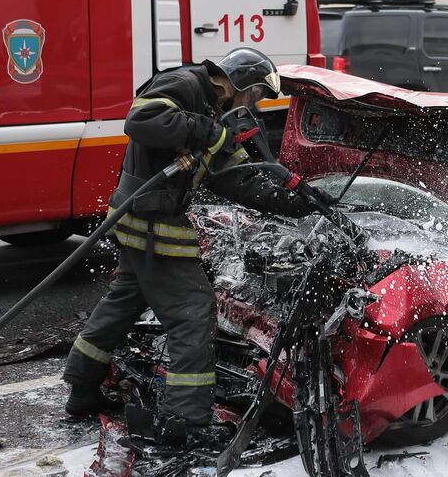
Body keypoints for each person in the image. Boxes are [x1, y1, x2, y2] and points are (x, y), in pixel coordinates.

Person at [63, 48, 315, 445]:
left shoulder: (217, 115)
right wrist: (208, 132)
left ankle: (82, 387)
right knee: (193, 313)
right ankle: (187, 423)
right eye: (256, 97)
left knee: (124, 300)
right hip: (149, 220)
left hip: (142, 220)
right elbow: (141, 119)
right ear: (239, 84)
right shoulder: (185, 85)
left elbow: (237, 178)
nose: (255, 106)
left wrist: (291, 201)